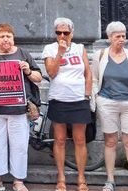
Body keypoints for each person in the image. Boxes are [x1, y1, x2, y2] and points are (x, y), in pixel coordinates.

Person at [0, 23, 42, 191]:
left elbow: (38, 78)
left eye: (8, 36)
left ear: (13, 38)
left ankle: (18, 180)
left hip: (18, 110)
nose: (5, 39)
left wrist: (27, 70)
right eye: (1, 36)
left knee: (19, 145)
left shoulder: (23, 54)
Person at [91, 21, 128, 191]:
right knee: (111, 141)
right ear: (109, 38)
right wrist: (96, 98)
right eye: (118, 36)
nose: (122, 39)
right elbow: (94, 79)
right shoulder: (100, 55)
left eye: (124, 36)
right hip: (107, 102)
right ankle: (110, 180)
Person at [42, 17, 92, 191]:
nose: (62, 35)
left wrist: (87, 94)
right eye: (58, 32)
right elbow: (51, 72)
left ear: (72, 32)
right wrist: (60, 53)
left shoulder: (79, 48)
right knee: (60, 139)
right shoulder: (50, 49)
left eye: (66, 32)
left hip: (79, 98)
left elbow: (88, 72)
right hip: (59, 97)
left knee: (80, 139)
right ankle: (61, 177)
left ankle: (81, 177)